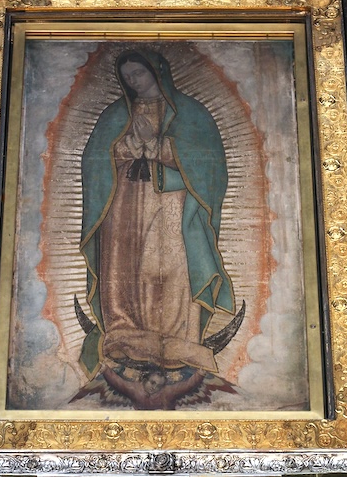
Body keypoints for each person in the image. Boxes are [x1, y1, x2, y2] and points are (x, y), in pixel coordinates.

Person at [79, 49, 235, 384]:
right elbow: (95, 160)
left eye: (139, 73)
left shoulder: (189, 113)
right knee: (125, 265)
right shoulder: (115, 115)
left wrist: (158, 145)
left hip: (171, 203)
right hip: (123, 204)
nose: (133, 81)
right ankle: (125, 334)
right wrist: (126, 146)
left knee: (169, 266)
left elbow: (208, 166)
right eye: (128, 77)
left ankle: (177, 339)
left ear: (157, 71)